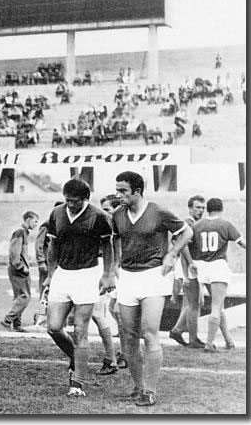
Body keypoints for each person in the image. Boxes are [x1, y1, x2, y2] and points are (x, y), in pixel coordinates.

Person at [113, 171, 193, 406]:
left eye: (123, 191)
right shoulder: (117, 215)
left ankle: (150, 390)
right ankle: (138, 387)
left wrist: (172, 254)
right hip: (127, 276)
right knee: (128, 336)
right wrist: (114, 266)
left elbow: (187, 231)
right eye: (117, 190)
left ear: (137, 192)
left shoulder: (158, 212)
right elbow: (115, 240)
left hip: (153, 276)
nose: (118, 195)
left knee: (149, 333)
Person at [44, 179, 114, 397]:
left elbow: (108, 246)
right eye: (67, 201)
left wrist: (107, 274)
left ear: (85, 199)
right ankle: (77, 357)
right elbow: (53, 244)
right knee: (54, 327)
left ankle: (77, 383)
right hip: (63, 274)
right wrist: (50, 274)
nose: (70, 205)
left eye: (75, 202)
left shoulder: (99, 216)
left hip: (87, 274)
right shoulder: (57, 213)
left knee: (81, 329)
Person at [188, 198, 245, 352]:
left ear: (208, 209)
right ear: (221, 208)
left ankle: (229, 341)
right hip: (218, 265)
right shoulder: (225, 224)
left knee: (218, 307)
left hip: (202, 267)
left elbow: (188, 244)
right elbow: (242, 243)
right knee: (216, 307)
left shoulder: (197, 225)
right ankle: (209, 343)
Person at [169, 195, 206, 348]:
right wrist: (186, 272)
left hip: (190, 265)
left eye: (203, 208)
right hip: (187, 265)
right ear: (190, 208)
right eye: (198, 207)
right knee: (194, 304)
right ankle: (193, 338)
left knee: (190, 303)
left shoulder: (195, 223)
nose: (201, 210)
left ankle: (177, 330)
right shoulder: (188, 224)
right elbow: (183, 247)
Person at [100, 195, 128, 370]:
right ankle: (125, 352)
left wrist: (116, 267)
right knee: (113, 310)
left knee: (120, 312)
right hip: (115, 271)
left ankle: (126, 354)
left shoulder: (120, 226)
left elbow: (120, 250)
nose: (103, 213)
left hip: (124, 272)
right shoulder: (107, 227)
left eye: (107, 210)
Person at [1, 210, 39, 332]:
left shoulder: (24, 232)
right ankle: (7, 320)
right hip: (19, 270)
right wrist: (21, 267)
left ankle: (17, 325)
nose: (36, 224)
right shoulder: (20, 231)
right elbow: (14, 251)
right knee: (25, 297)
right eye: (35, 221)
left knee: (20, 297)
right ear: (28, 220)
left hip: (21, 269)